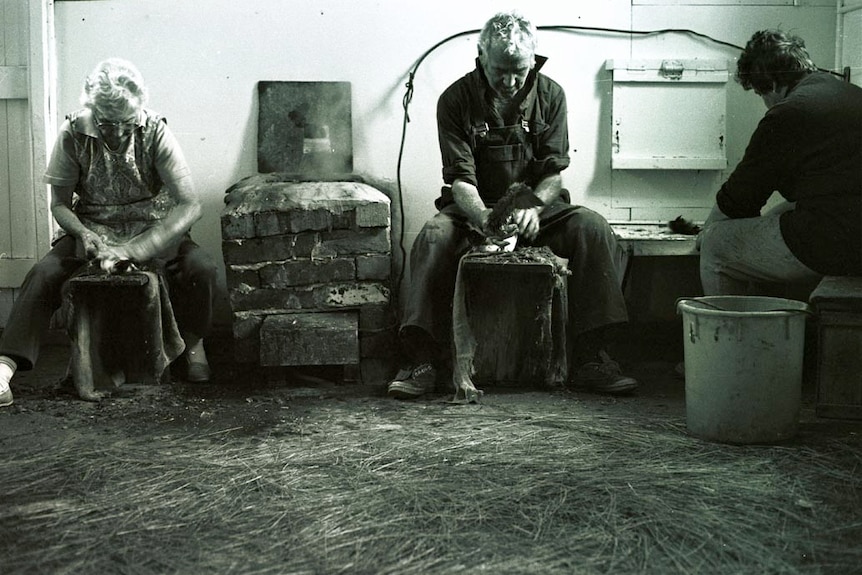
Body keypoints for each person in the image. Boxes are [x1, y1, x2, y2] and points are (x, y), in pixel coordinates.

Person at [387, 11, 637, 399]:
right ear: (481, 55)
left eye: (519, 70)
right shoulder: (455, 99)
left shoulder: (551, 95)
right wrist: (485, 218)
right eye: (500, 70)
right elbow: (460, 179)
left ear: (533, 58)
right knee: (434, 236)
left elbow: (554, 172)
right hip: (474, 208)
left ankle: (592, 357)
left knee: (592, 227)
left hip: (537, 207)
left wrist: (534, 208)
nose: (509, 81)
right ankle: (423, 360)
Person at [0, 58, 217, 408]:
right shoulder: (73, 133)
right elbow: (59, 204)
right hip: (94, 227)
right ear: (91, 108)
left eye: (125, 123)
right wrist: (83, 235)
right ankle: (4, 367)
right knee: (45, 273)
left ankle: (193, 343)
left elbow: (190, 205)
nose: (116, 133)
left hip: (150, 224)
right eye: (106, 123)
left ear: (139, 107)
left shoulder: (156, 131)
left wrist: (137, 248)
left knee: (202, 268)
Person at [698, 29, 862, 295]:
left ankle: (732, 335)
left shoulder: (788, 113)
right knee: (780, 218)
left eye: (761, 94)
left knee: (716, 245)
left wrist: (706, 231)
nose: (764, 102)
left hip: (839, 241)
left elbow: (740, 196)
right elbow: (826, 191)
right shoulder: (850, 94)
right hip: (852, 229)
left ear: (772, 84)